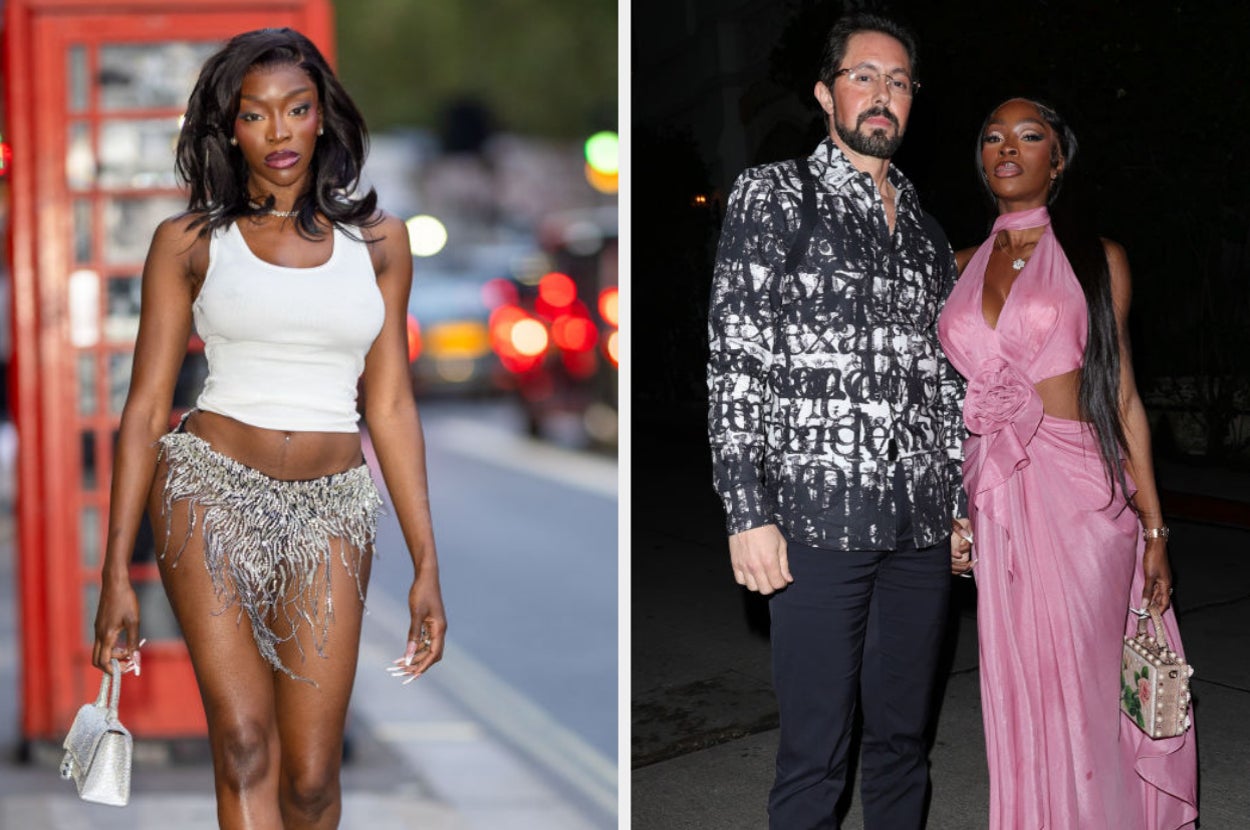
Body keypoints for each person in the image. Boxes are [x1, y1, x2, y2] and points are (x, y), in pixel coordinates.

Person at [90, 28, 446, 829]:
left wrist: (427, 561)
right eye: (256, 116)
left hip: (332, 508)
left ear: (324, 117)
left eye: (297, 109)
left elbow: (388, 405)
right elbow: (145, 408)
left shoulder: (381, 244)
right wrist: (116, 569)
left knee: (315, 778)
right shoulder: (187, 242)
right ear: (229, 128)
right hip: (208, 495)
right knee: (245, 745)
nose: (279, 133)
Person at [706, 13, 970, 829]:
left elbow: (944, 381)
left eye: (898, 82)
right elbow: (736, 355)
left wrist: (963, 499)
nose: (882, 95)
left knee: (902, 745)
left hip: (921, 530)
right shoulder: (775, 194)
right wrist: (747, 512)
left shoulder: (927, 234)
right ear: (826, 93)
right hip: (816, 522)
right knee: (816, 754)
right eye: (864, 76)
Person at [938, 97, 1198, 828]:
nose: (1007, 148)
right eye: (992, 137)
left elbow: (1123, 399)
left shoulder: (1097, 259)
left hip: (1081, 497)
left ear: (1059, 158)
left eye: (1029, 136)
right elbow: (932, 404)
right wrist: (951, 507)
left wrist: (1154, 530)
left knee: (1083, 699)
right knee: (1016, 692)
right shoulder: (955, 266)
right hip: (995, 499)